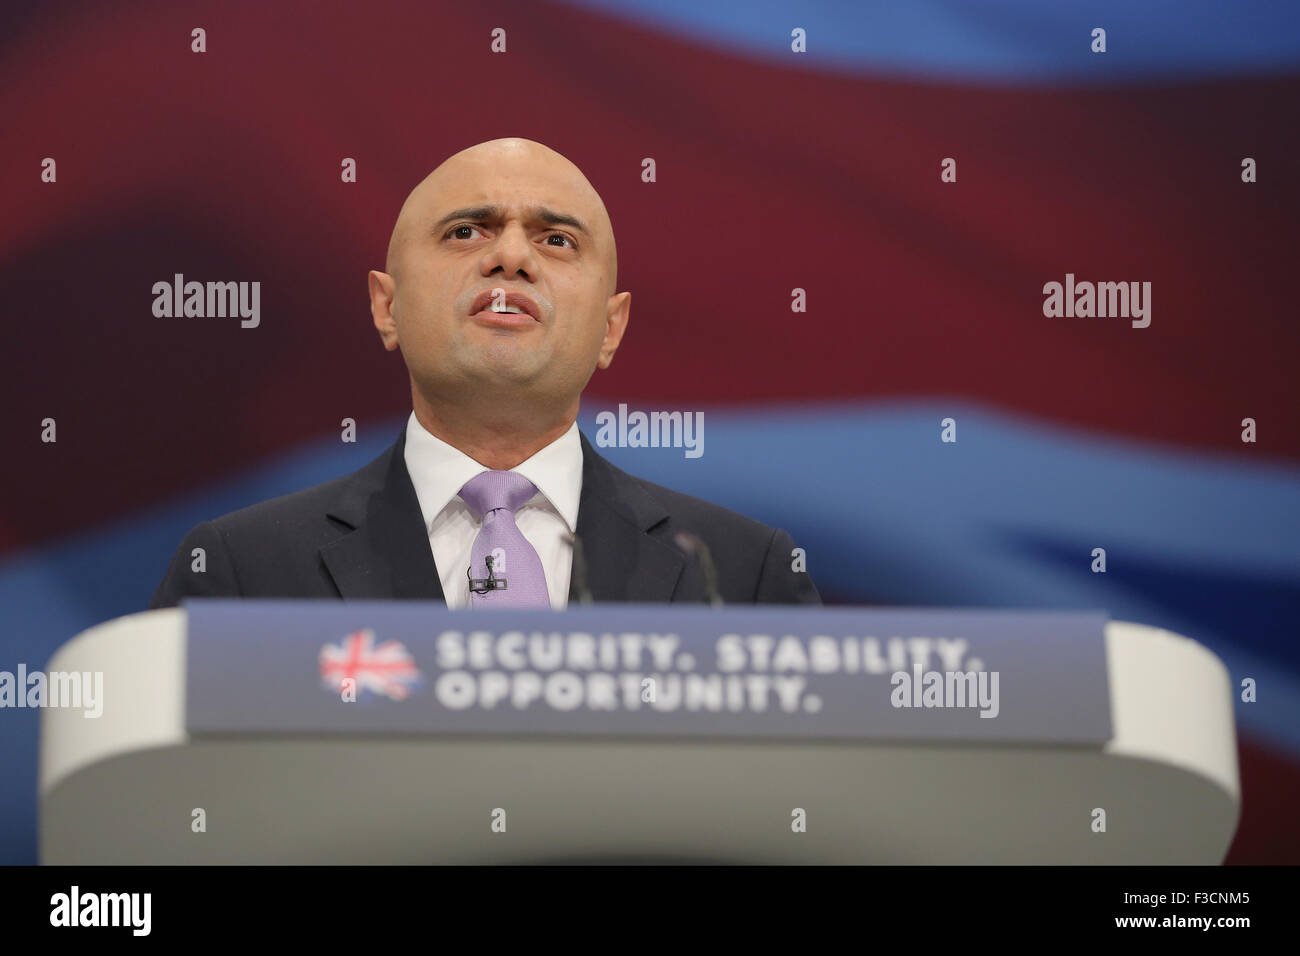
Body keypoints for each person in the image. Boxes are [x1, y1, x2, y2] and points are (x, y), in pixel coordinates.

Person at [150, 138, 820, 610]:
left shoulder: (742, 576)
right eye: (467, 231)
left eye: (556, 240)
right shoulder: (240, 571)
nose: (511, 257)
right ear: (387, 307)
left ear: (611, 328)